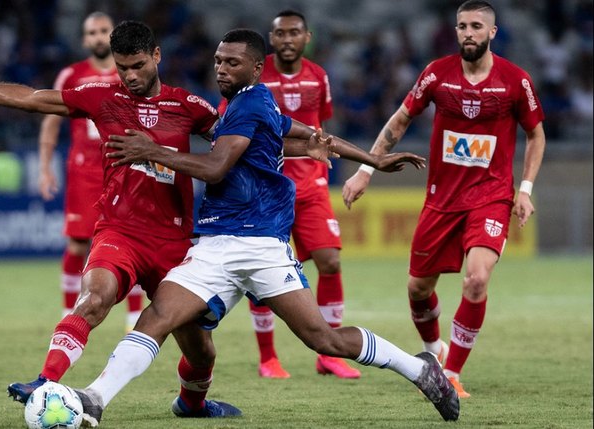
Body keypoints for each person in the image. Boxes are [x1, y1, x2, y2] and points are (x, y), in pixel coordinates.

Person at [67, 28, 458, 427]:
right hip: (216, 245)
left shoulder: (248, 105)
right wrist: (373, 160)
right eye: (218, 60)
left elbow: (216, 168)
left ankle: (419, 368)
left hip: (262, 245)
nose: (221, 69)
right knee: (159, 316)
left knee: (323, 339)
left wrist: (151, 151)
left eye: (232, 63)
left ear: (256, 68)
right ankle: (95, 398)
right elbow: (313, 136)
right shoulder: (250, 103)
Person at [0, 20, 241, 418]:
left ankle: (193, 403)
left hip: (174, 245)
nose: (130, 76)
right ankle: (44, 383)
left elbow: (242, 142)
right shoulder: (101, 97)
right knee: (93, 299)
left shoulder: (189, 107)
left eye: (139, 65)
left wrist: (313, 143)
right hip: (119, 232)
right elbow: (31, 98)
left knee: (200, 350)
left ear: (157, 56)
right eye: (122, 67)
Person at [342, 0, 546, 399]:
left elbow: (535, 133)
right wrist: (367, 168)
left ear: (492, 32)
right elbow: (400, 119)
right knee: (418, 288)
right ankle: (435, 350)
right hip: (442, 199)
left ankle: (451, 373)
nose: (468, 32)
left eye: (475, 26)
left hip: (491, 197)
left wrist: (524, 189)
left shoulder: (514, 80)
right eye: (461, 26)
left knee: (477, 278)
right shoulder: (437, 74)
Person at [243, 9, 360, 379]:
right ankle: (268, 359)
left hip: (310, 186)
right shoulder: (255, 75)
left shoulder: (318, 76)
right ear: (271, 38)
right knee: (262, 274)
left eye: (295, 33)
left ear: (306, 36)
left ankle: (329, 354)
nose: (288, 39)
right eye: (281, 34)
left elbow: (318, 127)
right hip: (266, 187)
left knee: (330, 261)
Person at [37, 11, 144, 329]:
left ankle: (134, 316)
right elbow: (51, 121)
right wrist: (45, 167)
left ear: (112, 35)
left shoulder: (131, 74)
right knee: (78, 245)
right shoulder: (72, 75)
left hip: (125, 167)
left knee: (134, 239)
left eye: (103, 31)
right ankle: (69, 312)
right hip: (85, 171)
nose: (98, 37)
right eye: (92, 32)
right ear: (85, 39)